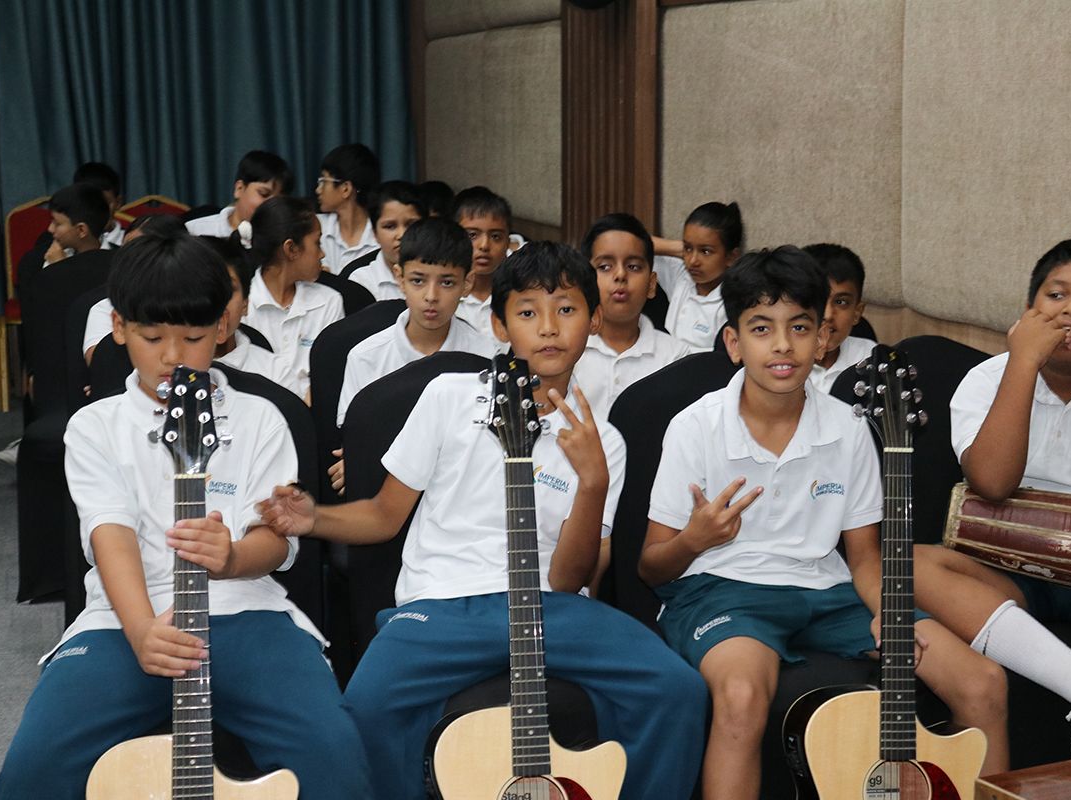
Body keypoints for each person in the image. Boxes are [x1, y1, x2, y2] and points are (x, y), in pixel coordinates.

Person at [259, 241, 709, 800]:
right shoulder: (449, 396)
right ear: (499, 325)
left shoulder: (605, 443)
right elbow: (383, 515)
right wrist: (313, 519)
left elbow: (569, 579)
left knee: (678, 690)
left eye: (566, 310)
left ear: (594, 320)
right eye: (528, 312)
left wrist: (592, 482)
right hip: (443, 603)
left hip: (550, 607)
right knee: (365, 711)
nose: (549, 328)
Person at [0, 230, 369, 799]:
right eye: (152, 337)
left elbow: (275, 539)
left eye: (192, 337)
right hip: (122, 620)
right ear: (119, 327)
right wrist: (142, 630)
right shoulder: (95, 426)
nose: (172, 356)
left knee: (334, 754)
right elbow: (110, 534)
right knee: (32, 770)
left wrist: (233, 557)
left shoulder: (261, 418)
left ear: (222, 327)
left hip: (245, 611)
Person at [639, 246, 1009, 798]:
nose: (782, 344)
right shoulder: (696, 427)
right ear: (733, 343)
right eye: (761, 328)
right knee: (741, 697)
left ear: (822, 339)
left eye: (799, 327)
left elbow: (863, 558)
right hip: (721, 591)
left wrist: (888, 616)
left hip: (827, 590)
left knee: (982, 681)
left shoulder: (848, 427)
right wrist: (695, 540)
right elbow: (651, 568)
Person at [915, 234, 1071, 756]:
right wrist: (1022, 363)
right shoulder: (986, 380)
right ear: (1027, 314)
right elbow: (993, 483)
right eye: (1056, 295)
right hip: (1011, 570)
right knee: (912, 565)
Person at [329, 217, 494, 495]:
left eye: (447, 282)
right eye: (418, 280)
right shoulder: (365, 357)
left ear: (467, 283)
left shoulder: (484, 356)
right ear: (399, 278)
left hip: (456, 491)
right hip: (382, 489)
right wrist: (357, 460)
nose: (431, 296)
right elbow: (356, 438)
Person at [573, 212, 691, 421]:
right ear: (585, 281)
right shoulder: (566, 348)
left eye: (633, 267)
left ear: (651, 284)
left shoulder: (676, 357)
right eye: (605, 267)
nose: (620, 275)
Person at [242, 196, 343, 400]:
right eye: (317, 243)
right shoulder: (243, 305)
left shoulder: (329, 302)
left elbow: (330, 375)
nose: (322, 254)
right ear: (291, 249)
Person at [82, 214, 186, 365]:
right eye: (124, 250)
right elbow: (100, 364)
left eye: (138, 250)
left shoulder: (199, 302)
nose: (126, 259)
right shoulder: (106, 308)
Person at [651, 201, 744, 353]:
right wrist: (679, 248)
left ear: (731, 257)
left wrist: (690, 248)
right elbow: (634, 242)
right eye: (688, 248)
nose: (693, 261)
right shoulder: (681, 276)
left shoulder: (731, 302)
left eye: (705, 251)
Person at [803, 243, 876, 393]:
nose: (828, 315)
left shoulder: (869, 357)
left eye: (841, 302)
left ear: (857, 313)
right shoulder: (778, 362)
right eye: (817, 300)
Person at [203, 236, 279, 378]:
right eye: (202, 289)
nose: (216, 301)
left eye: (228, 290)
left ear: (245, 303)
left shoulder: (276, 373)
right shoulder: (162, 367)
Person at [185, 150, 293, 238]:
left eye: (278, 200)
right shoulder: (196, 231)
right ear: (239, 189)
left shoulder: (284, 241)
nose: (271, 205)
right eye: (263, 194)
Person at [452, 185, 513, 338]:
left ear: (508, 242)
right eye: (472, 235)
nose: (484, 245)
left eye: (496, 237)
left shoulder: (519, 290)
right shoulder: (443, 295)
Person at [345, 180, 423, 300]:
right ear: (375, 233)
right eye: (390, 226)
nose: (401, 235)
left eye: (410, 224)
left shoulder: (443, 272)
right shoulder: (362, 280)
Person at [315, 143, 381, 272]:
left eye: (323, 181)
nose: (318, 190)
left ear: (346, 188)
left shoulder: (379, 237)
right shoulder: (314, 226)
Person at [43, 183, 111, 267]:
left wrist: (60, 266)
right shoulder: (54, 253)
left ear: (81, 230)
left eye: (57, 224)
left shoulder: (116, 262)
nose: (50, 229)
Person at [73, 161, 125, 248]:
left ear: (118, 203)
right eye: (89, 202)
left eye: (104, 203)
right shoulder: (64, 244)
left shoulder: (133, 243)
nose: (97, 210)